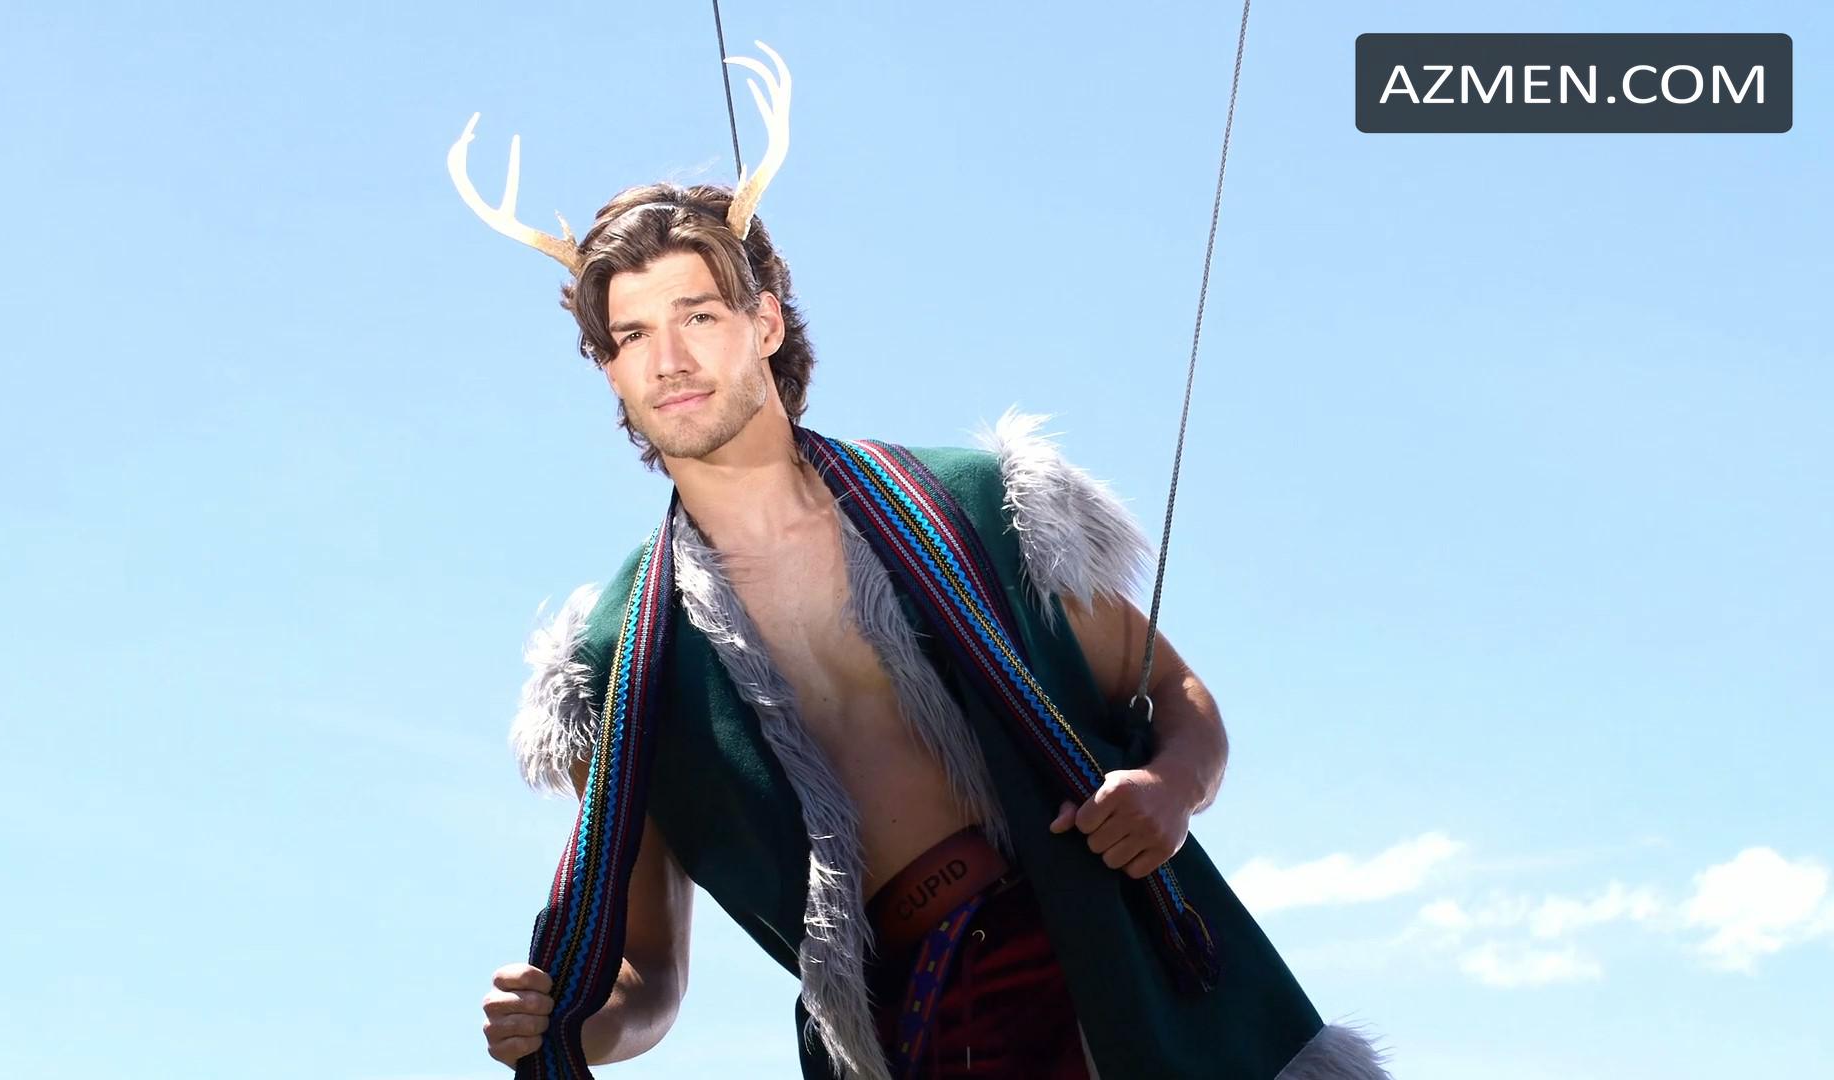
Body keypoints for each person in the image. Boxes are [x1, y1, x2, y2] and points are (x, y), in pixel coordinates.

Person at [454, 43, 1391, 1080]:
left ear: (763, 322)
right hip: (909, 1033)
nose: (668, 359)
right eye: (631, 336)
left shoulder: (976, 506)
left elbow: (1176, 694)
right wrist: (567, 1024)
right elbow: (649, 983)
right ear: (607, 367)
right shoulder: (619, 666)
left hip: (1105, 967)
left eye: (698, 315)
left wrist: (1170, 788)